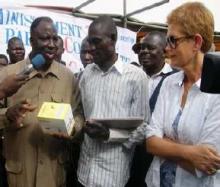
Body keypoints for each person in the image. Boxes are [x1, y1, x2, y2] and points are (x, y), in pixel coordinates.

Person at [0, 16, 84, 187]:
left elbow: (79, 114)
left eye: (54, 38)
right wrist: (7, 115)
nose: (52, 44)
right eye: (45, 38)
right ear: (31, 40)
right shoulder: (8, 74)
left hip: (54, 174)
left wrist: (72, 128)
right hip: (19, 173)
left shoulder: (68, 77)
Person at [146, 2, 220, 187]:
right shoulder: (169, 82)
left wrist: (165, 145)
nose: (167, 48)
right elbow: (150, 142)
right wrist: (190, 153)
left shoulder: (217, 92)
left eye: (173, 40)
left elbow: (207, 165)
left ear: (196, 42)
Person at [77, 15, 150, 187]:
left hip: (113, 175)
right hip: (84, 172)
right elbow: (80, 111)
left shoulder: (136, 77)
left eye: (96, 42)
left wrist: (109, 135)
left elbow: (143, 127)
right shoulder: (86, 73)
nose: (91, 48)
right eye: (89, 42)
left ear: (113, 39)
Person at [127, 31, 177, 187]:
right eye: (142, 48)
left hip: (157, 157)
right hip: (130, 153)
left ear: (164, 52)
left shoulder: (176, 80)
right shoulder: (132, 77)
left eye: (150, 48)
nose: (144, 52)